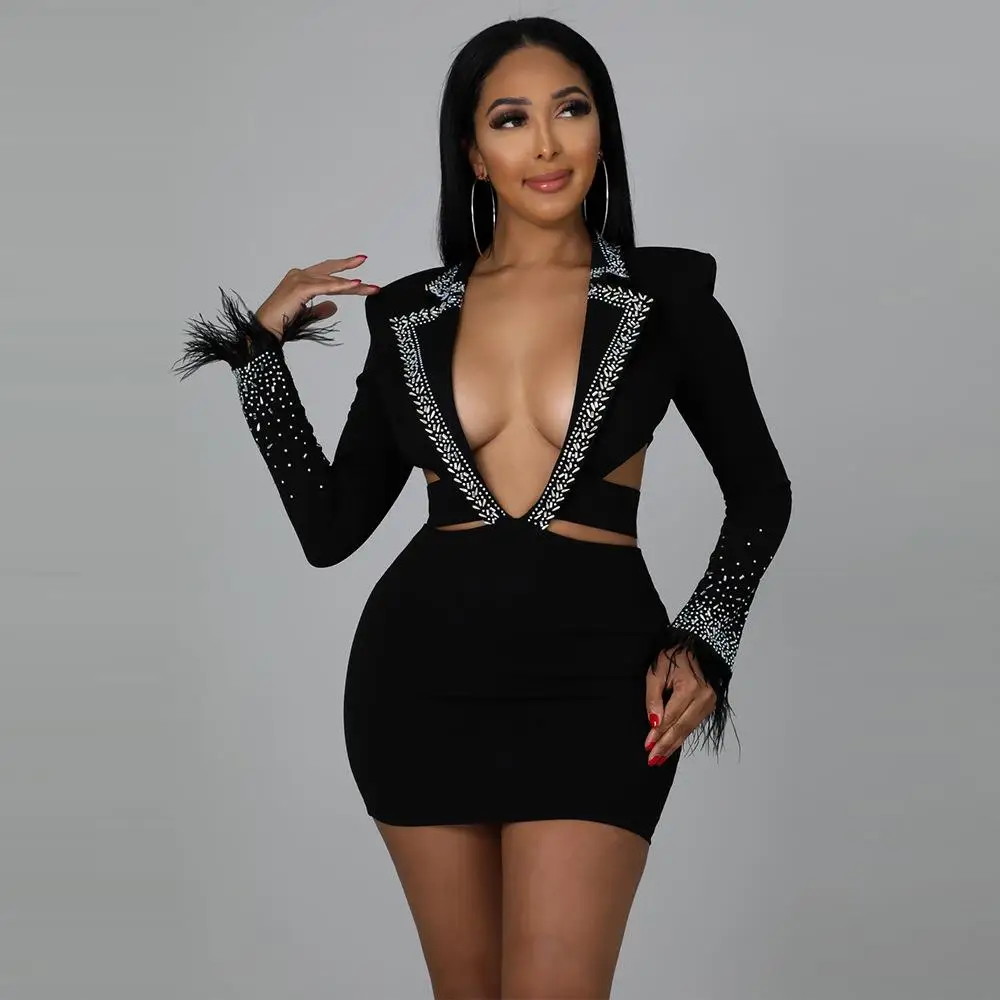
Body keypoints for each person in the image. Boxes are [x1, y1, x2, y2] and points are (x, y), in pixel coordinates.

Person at [173, 16, 792, 1000]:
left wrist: (707, 638)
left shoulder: (668, 295)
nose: (544, 143)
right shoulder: (407, 315)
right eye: (510, 119)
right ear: (471, 150)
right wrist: (256, 358)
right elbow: (330, 529)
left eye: (570, 110)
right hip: (416, 685)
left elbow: (759, 489)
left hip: (599, 690)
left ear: (602, 129)